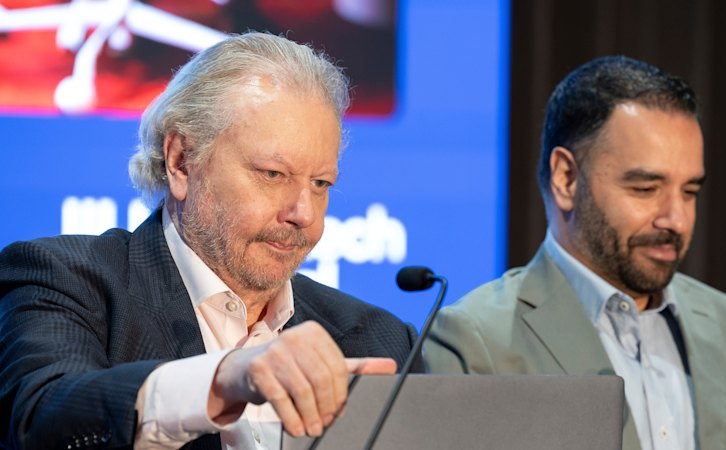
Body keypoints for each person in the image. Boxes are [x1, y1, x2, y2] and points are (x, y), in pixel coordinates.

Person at [0, 32, 421, 449]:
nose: (304, 214)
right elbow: (40, 420)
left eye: (320, 183)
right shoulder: (64, 280)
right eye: (273, 174)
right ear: (181, 162)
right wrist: (226, 377)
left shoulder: (379, 340)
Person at [424, 56, 726, 449]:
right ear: (566, 179)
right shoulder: (476, 341)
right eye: (645, 189)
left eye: (689, 192)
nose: (677, 219)